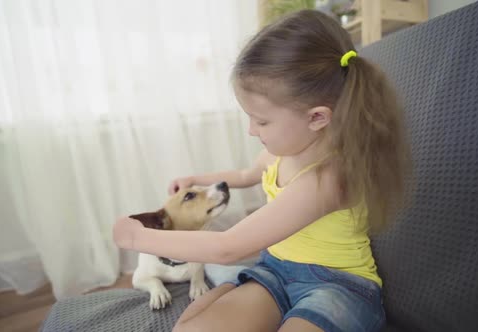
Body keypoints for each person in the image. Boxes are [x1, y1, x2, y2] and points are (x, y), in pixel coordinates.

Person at [113, 9, 410, 332]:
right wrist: (196, 180)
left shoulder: (329, 179)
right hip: (275, 272)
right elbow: (242, 176)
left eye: (262, 120)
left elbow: (229, 248)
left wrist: (140, 237)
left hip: (336, 285)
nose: (252, 131)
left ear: (316, 118)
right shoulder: (276, 154)